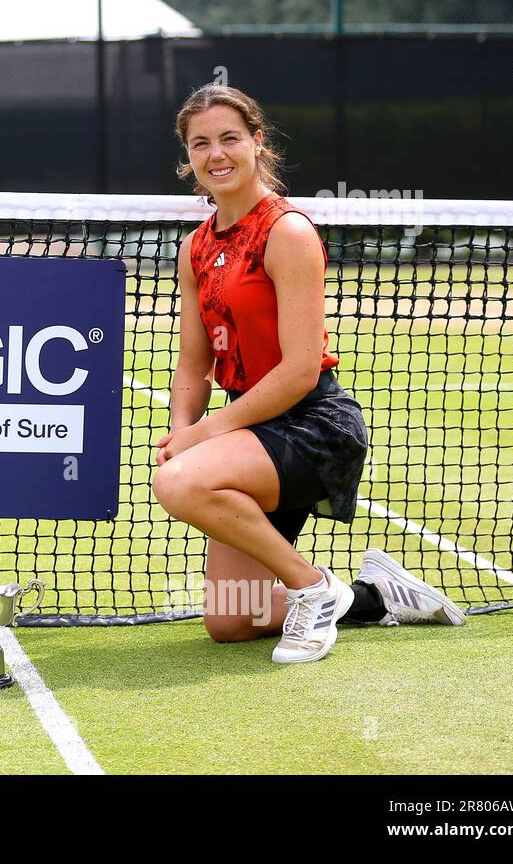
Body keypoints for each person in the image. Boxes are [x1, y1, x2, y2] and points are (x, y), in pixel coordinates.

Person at [152, 85, 465, 665]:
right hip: (250, 433)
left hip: (311, 428)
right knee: (232, 620)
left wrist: (206, 435)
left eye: (229, 138)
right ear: (188, 156)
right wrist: (179, 429)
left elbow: (298, 372)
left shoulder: (287, 232)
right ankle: (375, 595)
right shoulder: (194, 247)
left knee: (177, 485)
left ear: (257, 142)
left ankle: (314, 588)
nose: (216, 154)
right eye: (201, 144)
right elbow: (195, 360)